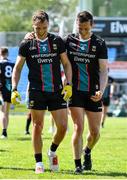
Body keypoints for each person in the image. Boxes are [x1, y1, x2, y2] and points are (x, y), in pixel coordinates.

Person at [11, 10, 72, 174]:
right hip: (36, 90)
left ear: (48, 25)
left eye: (44, 27)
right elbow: (17, 68)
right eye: (38, 28)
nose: (41, 31)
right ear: (33, 26)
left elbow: (66, 63)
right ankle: (39, 162)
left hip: (56, 90)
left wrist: (69, 83)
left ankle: (52, 151)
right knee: (37, 126)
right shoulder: (26, 44)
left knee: (63, 127)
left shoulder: (57, 41)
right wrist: (14, 88)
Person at [64, 11, 108, 173]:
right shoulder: (69, 40)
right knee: (78, 127)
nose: (82, 32)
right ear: (76, 25)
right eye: (80, 28)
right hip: (75, 91)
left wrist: (101, 91)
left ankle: (87, 151)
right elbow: (49, 41)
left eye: (85, 29)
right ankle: (77, 165)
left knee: (95, 132)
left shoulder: (99, 43)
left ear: (92, 26)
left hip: (93, 92)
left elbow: (104, 70)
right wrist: (31, 35)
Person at [0, 47, 14, 139]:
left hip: (2, 88)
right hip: (9, 88)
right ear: (7, 53)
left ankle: (4, 132)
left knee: (2, 112)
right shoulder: (12, 63)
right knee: (7, 112)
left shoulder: (0, 63)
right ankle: (5, 131)